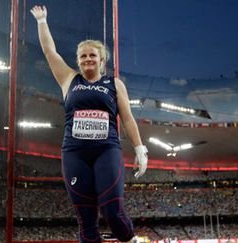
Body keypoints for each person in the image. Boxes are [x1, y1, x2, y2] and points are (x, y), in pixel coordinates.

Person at [31, 5, 148, 243]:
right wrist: (42, 22)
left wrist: (139, 148)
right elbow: (49, 52)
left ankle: (130, 239)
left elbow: (126, 117)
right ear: (78, 61)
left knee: (112, 212)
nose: (87, 59)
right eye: (83, 56)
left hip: (107, 150)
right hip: (75, 154)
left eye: (92, 55)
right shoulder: (68, 79)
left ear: (102, 59)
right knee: (86, 220)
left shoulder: (115, 84)